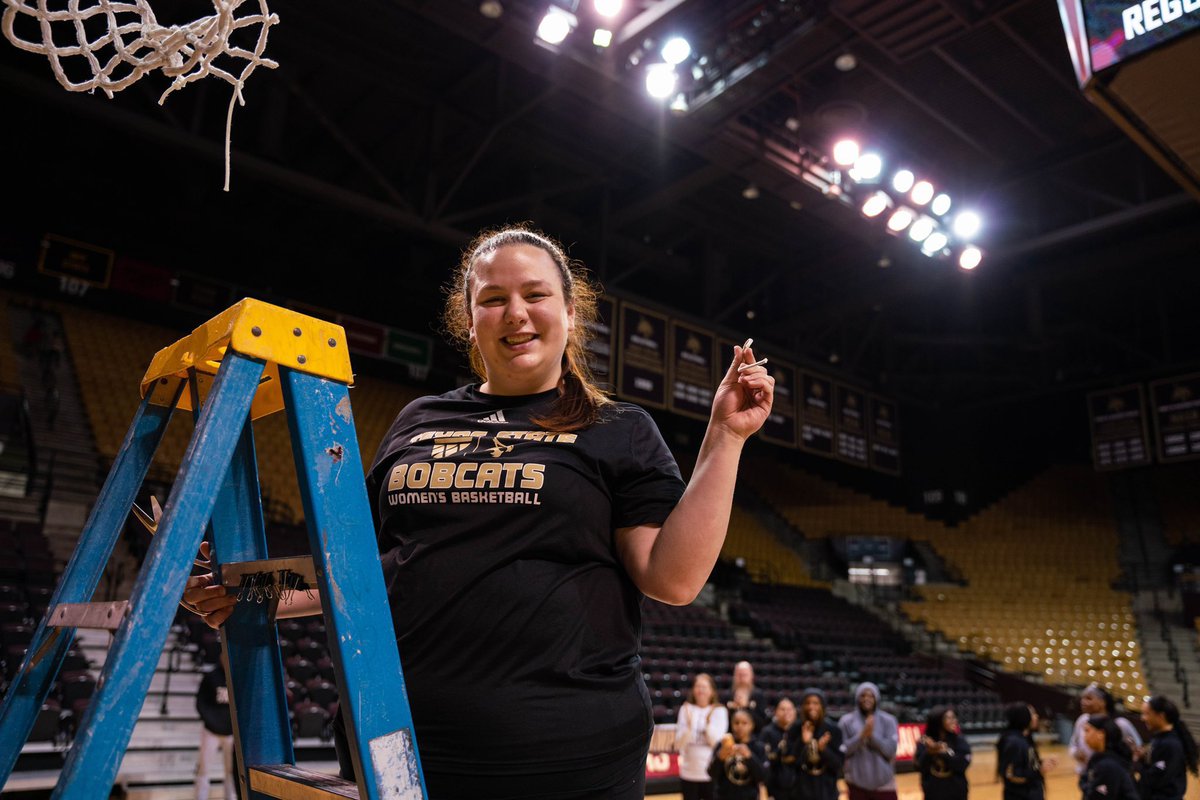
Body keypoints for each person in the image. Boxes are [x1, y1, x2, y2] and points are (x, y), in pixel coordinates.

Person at [182, 226, 775, 798]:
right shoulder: (418, 420)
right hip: (397, 746)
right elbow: (359, 570)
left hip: (568, 765)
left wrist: (725, 437)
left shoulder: (618, 429)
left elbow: (672, 579)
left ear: (570, 313)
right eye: (493, 299)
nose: (515, 313)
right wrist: (247, 590)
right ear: (469, 322)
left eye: (535, 294)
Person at [1071, 684, 1143, 796]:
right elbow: (1073, 745)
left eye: (1089, 698)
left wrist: (1132, 759)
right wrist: (1076, 753)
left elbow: (1138, 748)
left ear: (1102, 702)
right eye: (1082, 698)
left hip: (1109, 775)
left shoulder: (1121, 724)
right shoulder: (1082, 721)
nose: (1083, 702)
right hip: (1092, 774)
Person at [838, 682, 899, 800]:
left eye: (871, 696)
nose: (867, 699)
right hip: (856, 785)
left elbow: (890, 751)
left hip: (885, 785)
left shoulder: (889, 720)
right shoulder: (846, 721)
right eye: (863, 695)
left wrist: (872, 737)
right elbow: (842, 752)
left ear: (877, 698)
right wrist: (861, 736)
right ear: (857, 698)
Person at [677, 673, 730, 800]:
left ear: (712, 691)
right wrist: (689, 728)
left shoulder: (719, 710)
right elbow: (679, 744)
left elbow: (716, 744)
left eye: (704, 687)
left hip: (710, 773)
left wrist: (707, 726)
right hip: (688, 772)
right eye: (698, 686)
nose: (700, 690)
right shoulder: (685, 709)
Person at [1136, 695, 1199, 800]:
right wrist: (1143, 759)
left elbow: (1157, 780)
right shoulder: (1159, 739)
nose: (1142, 718)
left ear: (1161, 716)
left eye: (1147, 714)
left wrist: (1139, 765)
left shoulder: (1170, 744)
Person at [194, 662, 237, 800]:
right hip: (210, 731)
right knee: (204, 769)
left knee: (231, 771)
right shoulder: (211, 676)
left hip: (231, 734)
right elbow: (200, 703)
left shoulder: (238, 676)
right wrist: (212, 721)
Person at [997, 703, 1057, 800]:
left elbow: (1026, 765)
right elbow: (1012, 775)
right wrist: (1039, 771)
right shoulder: (1014, 742)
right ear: (1022, 717)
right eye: (1032, 714)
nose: (1036, 716)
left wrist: (1041, 763)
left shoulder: (1025, 738)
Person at [709, 708, 770, 800]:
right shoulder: (722, 745)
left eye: (744, 723)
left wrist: (749, 757)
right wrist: (720, 757)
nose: (740, 726)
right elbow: (711, 774)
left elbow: (763, 778)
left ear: (751, 725)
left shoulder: (758, 747)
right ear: (731, 724)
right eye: (736, 723)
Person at [795, 687, 842, 800]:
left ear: (823, 706)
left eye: (816, 703)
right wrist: (804, 742)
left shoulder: (833, 730)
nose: (811, 706)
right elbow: (793, 763)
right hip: (801, 792)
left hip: (827, 791)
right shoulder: (795, 728)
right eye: (807, 703)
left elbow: (838, 765)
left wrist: (823, 750)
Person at [915, 705, 970, 800]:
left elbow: (963, 764)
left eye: (954, 717)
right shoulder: (925, 742)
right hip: (933, 795)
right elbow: (918, 766)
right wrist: (929, 753)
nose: (954, 721)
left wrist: (943, 753)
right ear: (937, 721)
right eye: (949, 718)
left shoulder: (959, 740)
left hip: (957, 794)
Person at [1082, 715, 1138, 800]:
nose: (1084, 736)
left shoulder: (1108, 765)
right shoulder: (1098, 759)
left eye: (1087, 731)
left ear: (1101, 734)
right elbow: (1083, 781)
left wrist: (1088, 787)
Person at [759, 696, 798, 800]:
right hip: (774, 785)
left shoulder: (801, 731)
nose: (786, 712)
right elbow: (764, 760)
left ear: (795, 711)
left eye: (789, 709)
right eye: (782, 709)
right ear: (776, 712)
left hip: (798, 785)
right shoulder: (767, 732)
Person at [727, 660, 769, 732]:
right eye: (739, 675)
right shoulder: (727, 695)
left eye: (745, 675)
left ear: (751, 676)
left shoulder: (758, 695)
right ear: (734, 676)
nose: (742, 678)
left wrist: (747, 706)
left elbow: (762, 723)